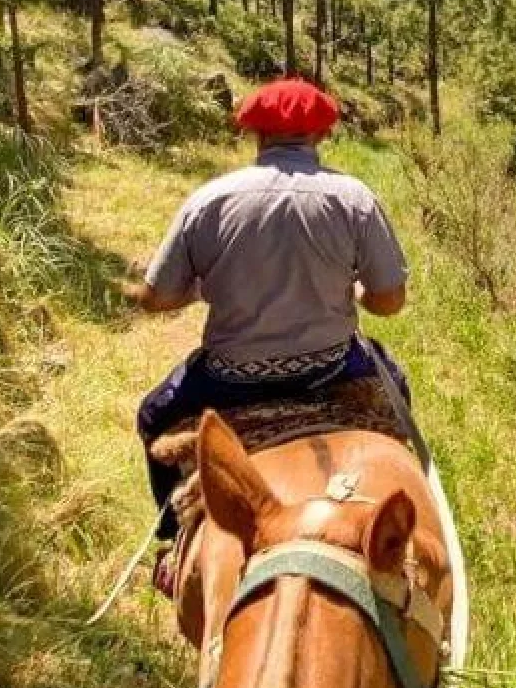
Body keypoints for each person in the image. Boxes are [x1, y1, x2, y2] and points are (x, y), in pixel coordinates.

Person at [123, 77, 411, 540]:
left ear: (255, 134)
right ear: (321, 134)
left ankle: (172, 533)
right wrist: (356, 292)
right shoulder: (354, 198)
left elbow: (157, 299)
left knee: (153, 416)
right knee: (396, 386)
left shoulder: (208, 200)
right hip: (330, 369)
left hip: (229, 378)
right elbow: (390, 301)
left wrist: (202, 289)